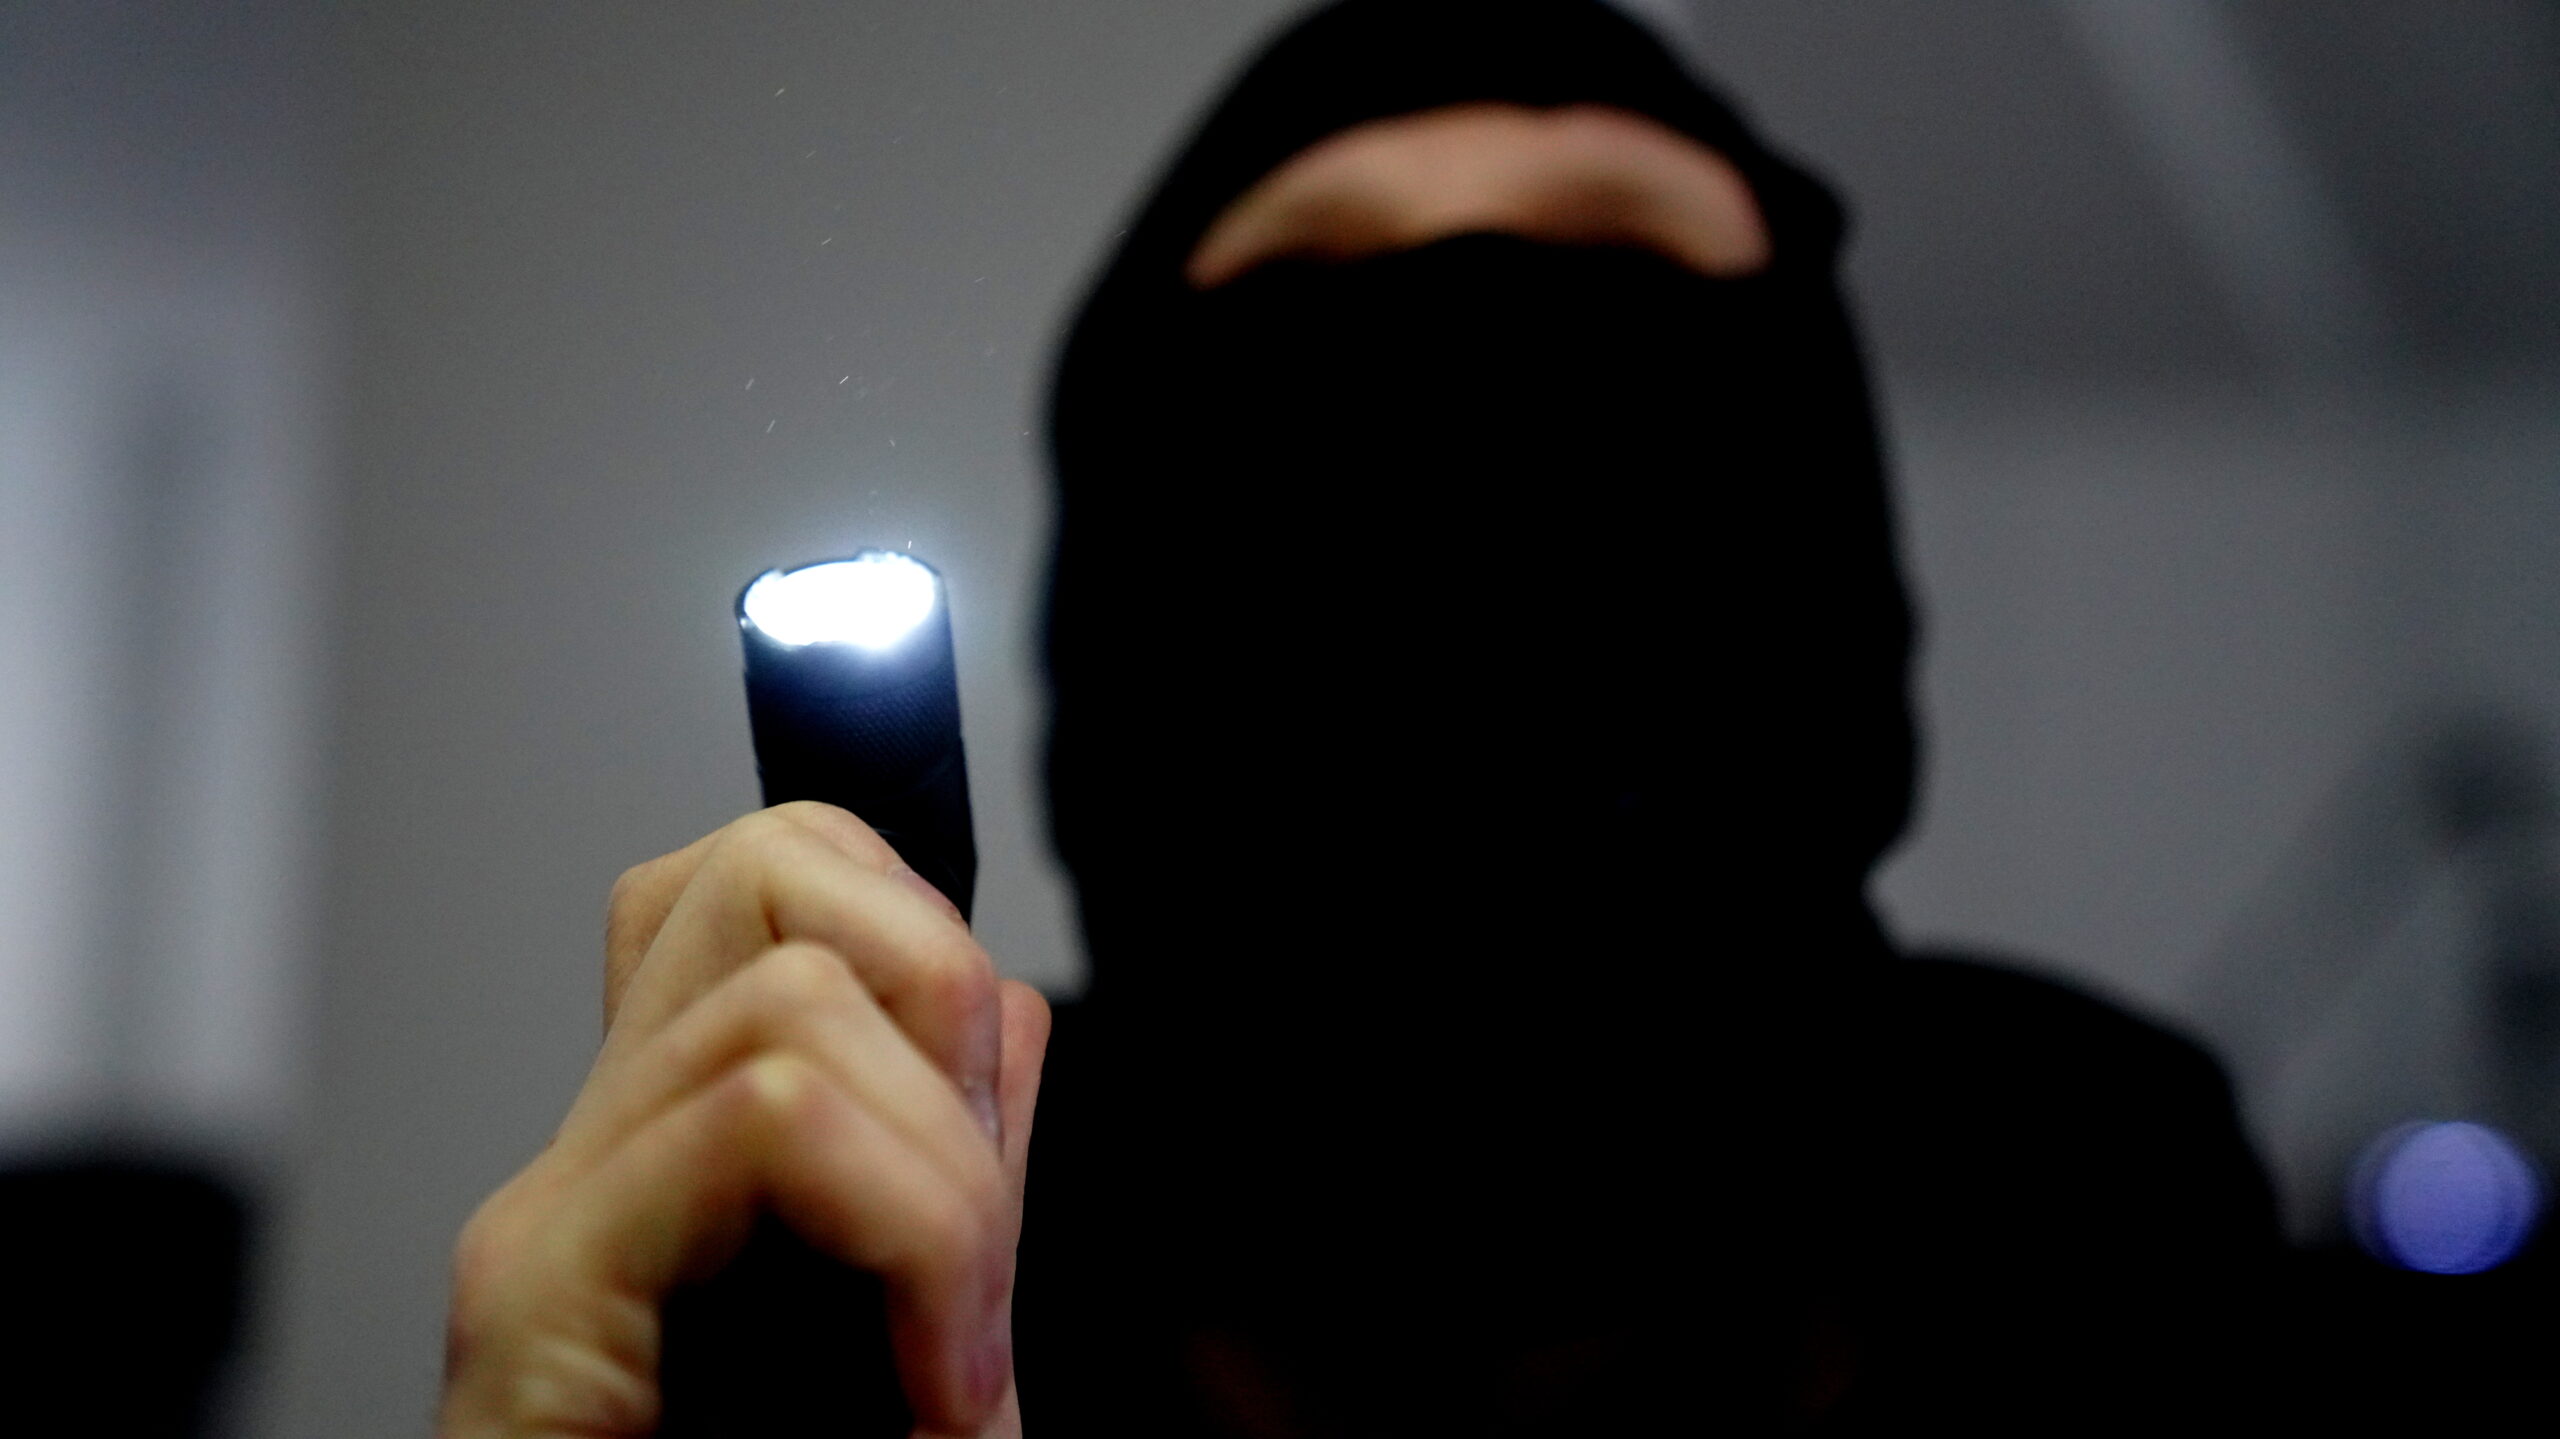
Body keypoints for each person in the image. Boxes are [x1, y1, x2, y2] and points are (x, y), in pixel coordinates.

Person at [437, 3, 2280, 1434]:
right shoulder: (873, 1227)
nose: (1469, 366)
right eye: (1315, 284)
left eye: (1614, 264)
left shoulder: (2093, 1196)